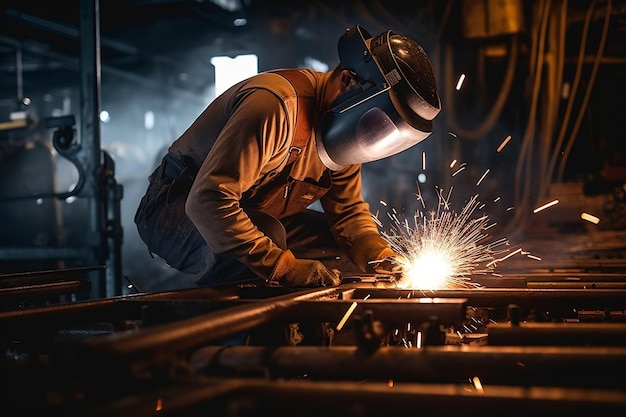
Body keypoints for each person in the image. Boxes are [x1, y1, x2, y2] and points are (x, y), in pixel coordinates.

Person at [134, 24, 441, 289]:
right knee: (268, 240)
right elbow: (207, 201)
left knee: (340, 253)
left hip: (251, 214)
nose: (375, 132)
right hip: (173, 213)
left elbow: (347, 213)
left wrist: (377, 255)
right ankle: (238, 346)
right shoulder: (275, 107)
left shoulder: (342, 134)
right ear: (348, 81)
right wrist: (283, 267)